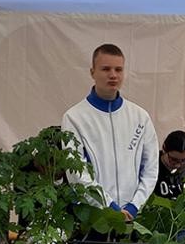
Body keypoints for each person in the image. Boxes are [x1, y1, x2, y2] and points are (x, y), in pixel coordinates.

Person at [61, 43, 159, 220]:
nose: (113, 75)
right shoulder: (74, 117)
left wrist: (134, 206)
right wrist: (109, 207)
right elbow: (76, 172)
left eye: (118, 69)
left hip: (133, 217)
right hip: (92, 218)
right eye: (106, 69)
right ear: (92, 72)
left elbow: (151, 168)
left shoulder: (140, 117)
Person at [154, 130, 185, 200]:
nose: (178, 165)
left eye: (183, 160)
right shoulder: (150, 167)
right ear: (164, 149)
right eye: (173, 160)